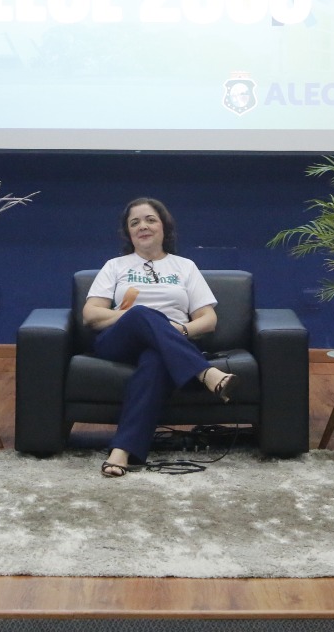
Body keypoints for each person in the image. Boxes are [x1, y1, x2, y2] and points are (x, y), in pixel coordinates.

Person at [84, 198, 236, 477]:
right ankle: (204, 372)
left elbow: (208, 319)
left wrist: (179, 331)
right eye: (135, 223)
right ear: (129, 233)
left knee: (155, 360)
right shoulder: (115, 266)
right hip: (119, 342)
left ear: (164, 227)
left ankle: (122, 451)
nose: (143, 226)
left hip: (168, 344)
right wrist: (132, 316)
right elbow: (91, 314)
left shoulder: (184, 267)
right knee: (141, 313)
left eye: (150, 220)